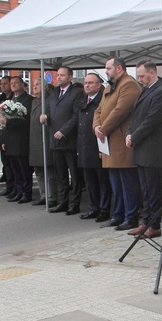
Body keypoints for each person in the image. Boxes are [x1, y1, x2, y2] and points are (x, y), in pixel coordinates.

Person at [93, 57, 142, 230]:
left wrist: (103, 129)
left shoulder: (129, 85)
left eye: (108, 68)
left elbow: (120, 111)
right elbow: (98, 110)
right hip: (109, 142)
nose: (106, 71)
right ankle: (118, 215)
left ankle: (131, 216)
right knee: (116, 182)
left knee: (127, 182)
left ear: (119, 68)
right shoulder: (109, 86)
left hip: (121, 142)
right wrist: (97, 126)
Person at [126, 60, 162, 238]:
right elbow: (135, 117)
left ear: (152, 73)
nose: (139, 79)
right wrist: (129, 133)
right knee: (145, 190)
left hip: (151, 148)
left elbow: (152, 120)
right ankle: (147, 222)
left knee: (153, 189)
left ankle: (154, 225)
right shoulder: (146, 91)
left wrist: (134, 137)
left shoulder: (160, 92)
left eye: (141, 76)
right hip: (141, 147)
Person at [44, 66, 86, 214]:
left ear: (70, 77)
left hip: (70, 141)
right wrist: (46, 118)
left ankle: (74, 204)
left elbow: (76, 116)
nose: (59, 77)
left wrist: (64, 131)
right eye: (58, 75)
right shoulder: (54, 93)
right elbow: (52, 112)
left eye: (62, 75)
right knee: (60, 174)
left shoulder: (76, 94)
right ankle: (62, 202)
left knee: (74, 175)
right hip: (55, 140)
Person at [77, 73, 111, 221]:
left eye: (91, 83)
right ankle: (94, 207)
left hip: (97, 145)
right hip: (84, 147)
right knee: (89, 180)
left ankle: (104, 209)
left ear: (98, 85)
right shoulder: (83, 101)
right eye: (85, 83)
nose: (87, 85)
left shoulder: (101, 100)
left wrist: (101, 148)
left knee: (102, 180)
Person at [2, 75, 34, 203]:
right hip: (10, 139)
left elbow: (25, 120)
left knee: (23, 167)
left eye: (16, 83)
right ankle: (18, 190)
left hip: (21, 139)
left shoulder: (28, 100)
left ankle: (26, 192)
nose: (13, 85)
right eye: (12, 83)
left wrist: (8, 122)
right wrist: (3, 139)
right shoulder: (10, 99)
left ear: (22, 85)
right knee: (14, 168)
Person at [29, 78, 56, 206]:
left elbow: (54, 116)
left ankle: (51, 196)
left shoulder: (49, 99)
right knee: (38, 170)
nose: (35, 87)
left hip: (45, 138)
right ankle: (43, 195)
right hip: (35, 139)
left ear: (45, 87)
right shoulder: (34, 101)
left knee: (48, 170)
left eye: (37, 84)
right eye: (34, 85)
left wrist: (48, 118)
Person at [0, 75, 14, 192]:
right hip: (1, 133)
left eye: (5, 83)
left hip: (11, 134)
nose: (3, 86)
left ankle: (13, 186)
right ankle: (9, 185)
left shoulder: (13, 99)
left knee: (12, 164)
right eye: (1, 83)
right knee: (5, 162)